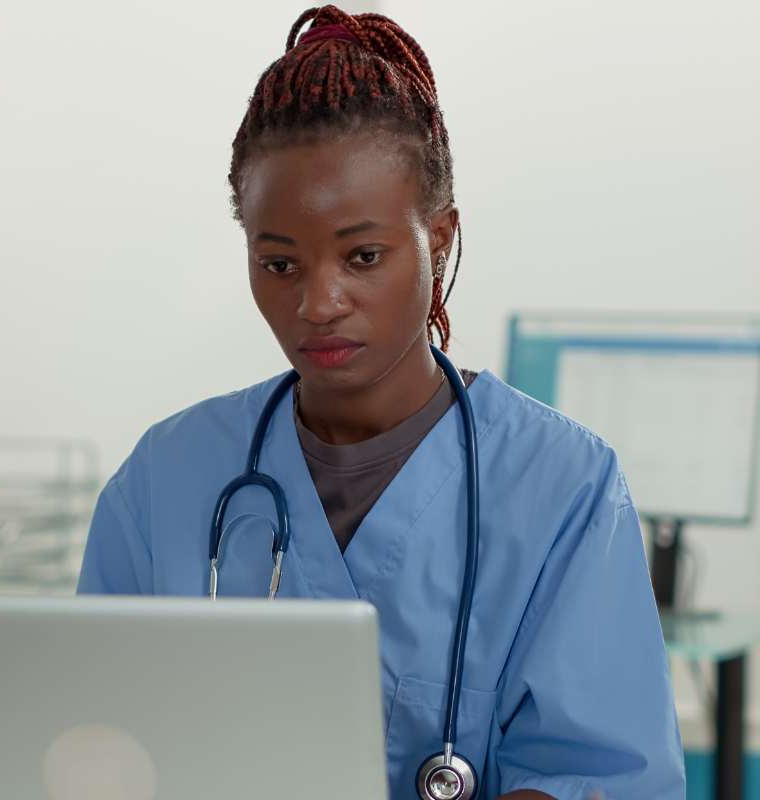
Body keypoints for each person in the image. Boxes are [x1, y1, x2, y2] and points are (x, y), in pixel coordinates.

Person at [78, 5, 684, 798]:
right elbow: (91, 742)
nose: (318, 303)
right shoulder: (166, 479)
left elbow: (602, 779)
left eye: (363, 256)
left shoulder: (562, 486)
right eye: (279, 263)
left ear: (438, 238)